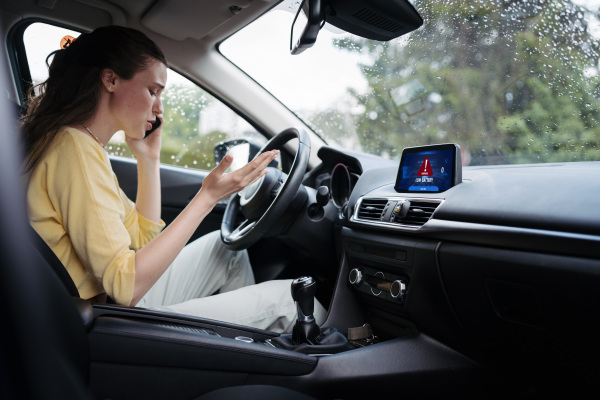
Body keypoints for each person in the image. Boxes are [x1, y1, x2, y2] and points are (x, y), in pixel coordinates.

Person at [22, 25, 326, 332]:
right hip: (104, 323)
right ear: (111, 79)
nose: (159, 108)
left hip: (103, 306)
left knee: (226, 253)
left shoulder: (76, 145)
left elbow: (143, 242)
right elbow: (125, 286)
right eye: (152, 91)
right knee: (293, 303)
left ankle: (235, 350)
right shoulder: (75, 149)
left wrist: (148, 159)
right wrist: (207, 197)